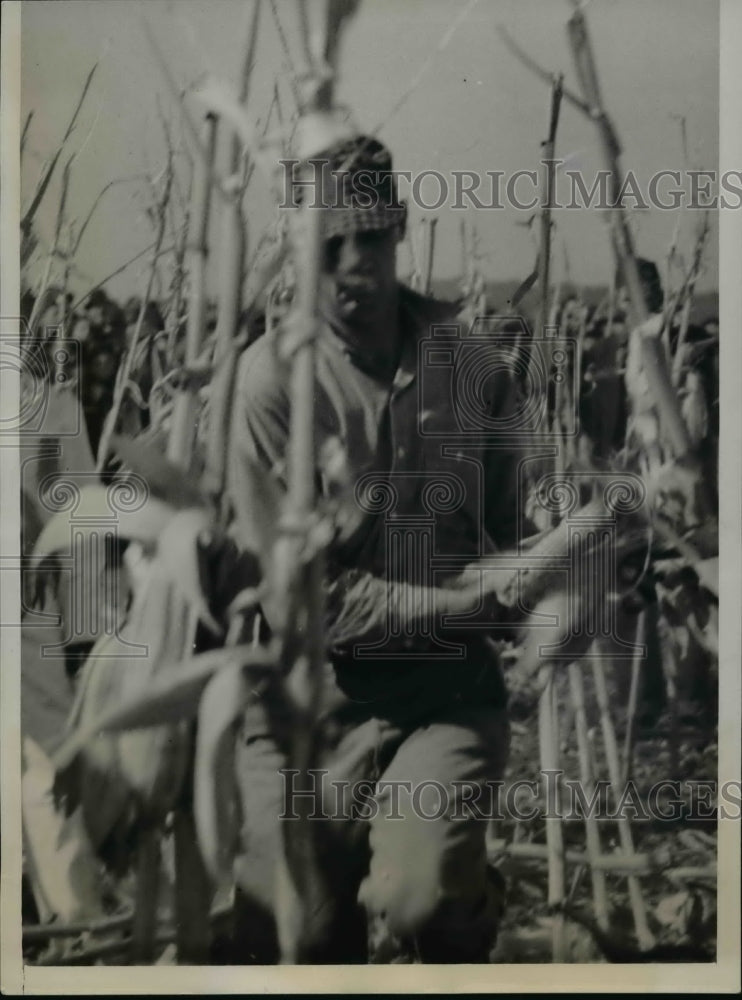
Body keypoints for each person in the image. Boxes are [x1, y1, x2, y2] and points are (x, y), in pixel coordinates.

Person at [225, 135, 534, 965]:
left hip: (444, 696)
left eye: (366, 238)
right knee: (300, 941)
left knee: (418, 898)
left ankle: (462, 902)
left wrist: (560, 579)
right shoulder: (270, 384)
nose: (349, 267)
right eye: (325, 247)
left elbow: (511, 536)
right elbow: (312, 601)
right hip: (305, 710)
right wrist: (467, 602)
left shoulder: (472, 368)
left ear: (398, 229)